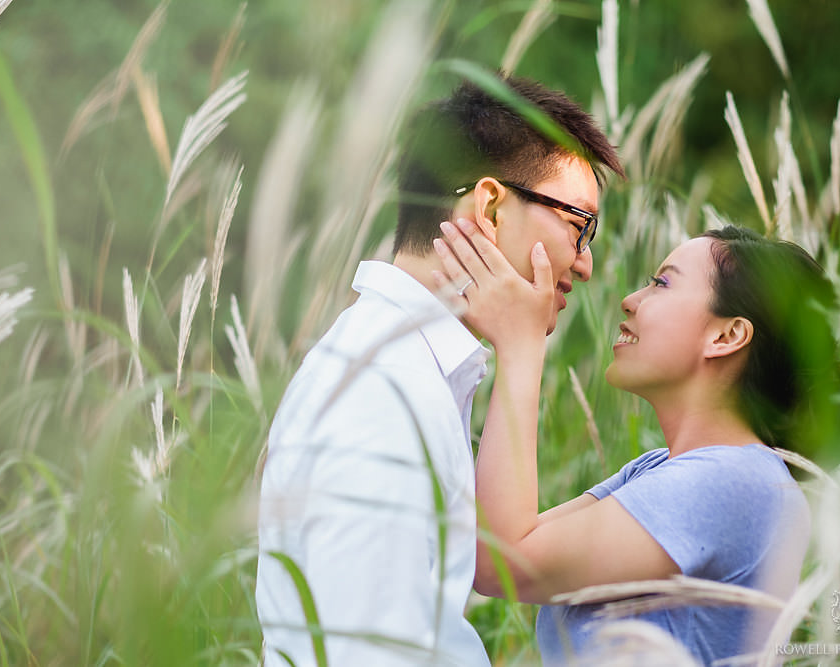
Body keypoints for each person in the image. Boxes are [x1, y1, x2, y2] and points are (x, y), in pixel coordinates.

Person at [255, 71, 623, 667]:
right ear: (491, 206)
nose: (583, 265)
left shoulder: (410, 368)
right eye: (579, 225)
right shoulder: (378, 392)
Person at [433, 220, 840, 665]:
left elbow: (503, 563)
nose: (630, 299)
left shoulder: (740, 481)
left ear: (727, 336)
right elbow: (508, 541)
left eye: (661, 283)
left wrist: (521, 345)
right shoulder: (659, 468)